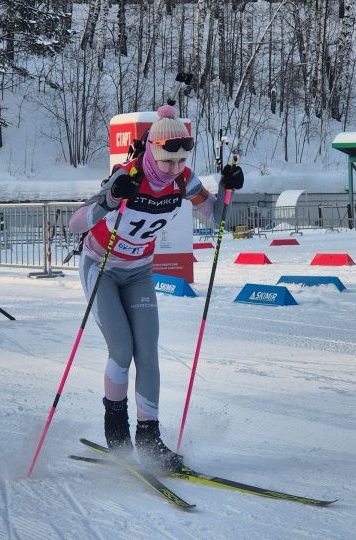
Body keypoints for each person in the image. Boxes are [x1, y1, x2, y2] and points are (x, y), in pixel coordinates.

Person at [67, 104, 244, 471]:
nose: (174, 168)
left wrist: (228, 188)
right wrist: (111, 199)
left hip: (138, 272)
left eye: (181, 161)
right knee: (122, 350)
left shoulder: (184, 181)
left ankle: (150, 439)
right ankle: (117, 433)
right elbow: (76, 223)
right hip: (101, 267)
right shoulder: (128, 175)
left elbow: (217, 218)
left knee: (147, 352)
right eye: (167, 161)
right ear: (152, 151)